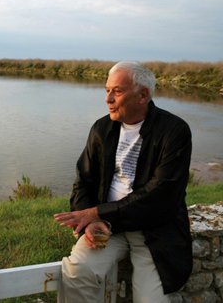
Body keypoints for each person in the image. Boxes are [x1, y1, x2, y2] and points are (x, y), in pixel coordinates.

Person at [54, 61, 193, 302]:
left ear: (143, 95)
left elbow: (161, 194)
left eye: (117, 91)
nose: (108, 99)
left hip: (154, 231)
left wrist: (98, 212)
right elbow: (83, 181)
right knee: (77, 272)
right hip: (107, 228)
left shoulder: (174, 131)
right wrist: (89, 222)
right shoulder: (101, 128)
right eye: (106, 90)